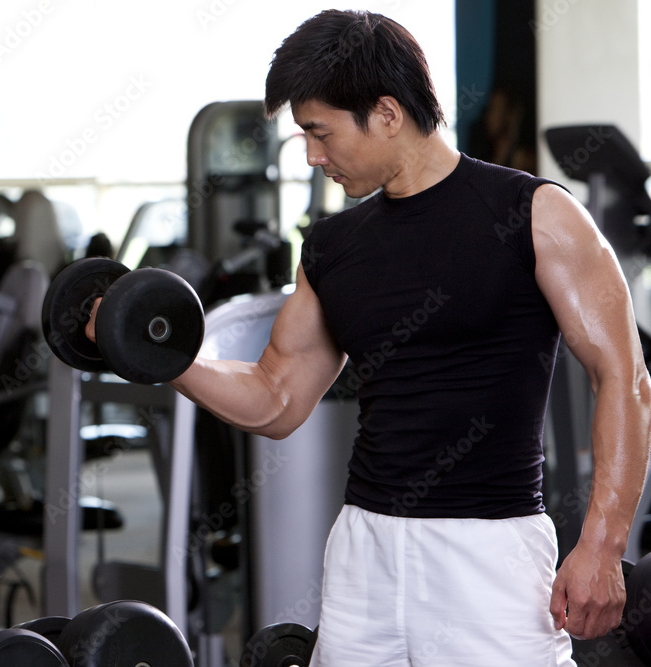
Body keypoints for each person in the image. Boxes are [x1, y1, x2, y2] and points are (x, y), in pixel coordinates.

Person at [86, 9, 651, 666]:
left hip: (490, 551)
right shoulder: (333, 246)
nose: (313, 155)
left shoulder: (536, 216)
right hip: (363, 549)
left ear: (386, 113)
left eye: (320, 133)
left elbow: (626, 378)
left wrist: (603, 546)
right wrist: (163, 355)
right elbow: (275, 396)